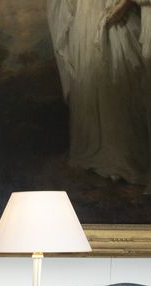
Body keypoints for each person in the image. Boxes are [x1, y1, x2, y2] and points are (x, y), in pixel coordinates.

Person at [48, 0, 151, 192]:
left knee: (122, 76)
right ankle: (100, 150)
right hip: (86, 13)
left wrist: (123, 6)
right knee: (91, 75)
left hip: (114, 10)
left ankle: (125, 155)